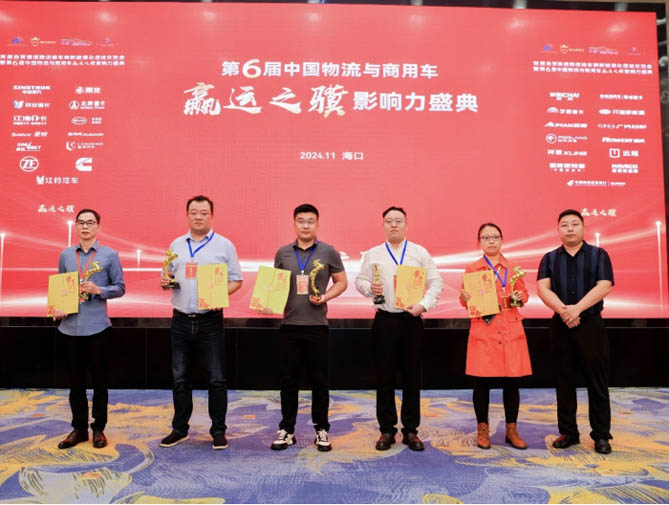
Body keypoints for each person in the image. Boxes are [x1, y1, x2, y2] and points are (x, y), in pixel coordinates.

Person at [258, 203, 347, 452]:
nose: (305, 225)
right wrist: (267, 302)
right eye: (301, 220)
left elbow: (342, 282)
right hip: (289, 325)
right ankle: (287, 429)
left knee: (320, 381)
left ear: (317, 224)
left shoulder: (328, 252)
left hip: (317, 325)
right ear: (294, 223)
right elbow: (274, 285)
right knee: (288, 381)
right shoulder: (283, 253)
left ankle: (322, 429)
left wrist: (325, 297)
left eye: (310, 221)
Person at [355, 206, 443, 451]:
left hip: (411, 321)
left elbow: (436, 282)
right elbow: (360, 280)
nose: (394, 225)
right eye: (389, 221)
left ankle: (411, 430)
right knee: (384, 377)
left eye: (398, 221)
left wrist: (423, 305)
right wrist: (369, 288)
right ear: (383, 225)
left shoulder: (419, 252)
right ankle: (386, 430)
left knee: (412, 377)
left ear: (406, 224)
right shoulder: (373, 254)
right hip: (385, 320)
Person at [159, 195, 243, 450]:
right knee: (180, 378)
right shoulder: (176, 245)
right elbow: (169, 275)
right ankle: (179, 429)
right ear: (187, 215)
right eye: (194, 212)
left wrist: (219, 295)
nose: (198, 216)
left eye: (204, 213)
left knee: (216, 378)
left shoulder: (224, 245)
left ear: (211, 216)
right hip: (181, 319)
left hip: (210, 321)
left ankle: (218, 430)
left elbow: (236, 280)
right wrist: (166, 282)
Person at [537, 209, 614, 455]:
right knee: (564, 380)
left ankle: (601, 435)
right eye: (564, 225)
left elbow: (605, 285)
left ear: (583, 228)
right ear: (558, 230)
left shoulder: (599, 254)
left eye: (574, 224)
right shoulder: (549, 258)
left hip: (590, 323)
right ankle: (568, 432)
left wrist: (577, 309)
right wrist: (564, 312)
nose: (569, 228)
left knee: (597, 381)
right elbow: (542, 288)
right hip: (561, 325)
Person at [53, 208, 125, 450]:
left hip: (97, 328)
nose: (85, 226)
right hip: (69, 328)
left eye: (90, 222)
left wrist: (99, 291)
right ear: (76, 226)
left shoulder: (109, 255)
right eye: (81, 222)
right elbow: (61, 287)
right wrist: (58, 307)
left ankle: (99, 428)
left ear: (98, 227)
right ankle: (79, 429)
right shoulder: (65, 255)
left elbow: (120, 287)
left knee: (99, 382)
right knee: (76, 383)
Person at [459, 223, 531, 450]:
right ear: (479, 242)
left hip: (510, 328)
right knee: (481, 382)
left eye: (495, 237)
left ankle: (512, 429)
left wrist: (519, 296)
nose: (491, 241)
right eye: (486, 237)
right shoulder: (473, 269)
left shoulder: (513, 267)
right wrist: (465, 298)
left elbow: (524, 295)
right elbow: (465, 301)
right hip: (485, 329)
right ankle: (483, 429)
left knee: (512, 382)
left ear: (502, 240)